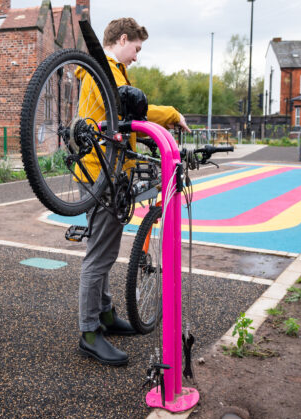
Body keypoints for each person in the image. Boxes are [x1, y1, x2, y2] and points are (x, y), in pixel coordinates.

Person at [76, 17, 191, 366]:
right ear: (123, 39)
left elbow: (122, 120)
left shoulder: (106, 72)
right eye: (136, 49)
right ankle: (89, 332)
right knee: (99, 255)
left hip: (104, 170)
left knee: (105, 249)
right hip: (102, 173)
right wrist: (171, 114)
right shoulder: (105, 70)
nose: (137, 57)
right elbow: (127, 111)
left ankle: (106, 314)